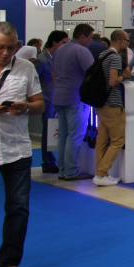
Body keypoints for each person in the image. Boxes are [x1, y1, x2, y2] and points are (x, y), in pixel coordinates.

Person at [0, 22, 44, 267]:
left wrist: (25, 107)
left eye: (10, 47)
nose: (5, 53)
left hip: (16, 148)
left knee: (18, 208)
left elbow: (40, 104)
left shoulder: (25, 67)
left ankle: (9, 265)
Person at [52, 23, 96, 181]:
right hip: (75, 98)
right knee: (75, 136)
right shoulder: (82, 51)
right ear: (83, 36)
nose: (91, 41)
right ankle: (71, 171)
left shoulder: (59, 50)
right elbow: (92, 73)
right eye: (90, 37)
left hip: (59, 97)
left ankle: (63, 170)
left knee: (63, 135)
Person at [92, 30, 131, 187]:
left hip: (100, 102)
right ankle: (101, 173)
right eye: (127, 40)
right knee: (118, 140)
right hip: (112, 103)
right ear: (121, 40)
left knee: (102, 139)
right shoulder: (115, 57)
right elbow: (113, 81)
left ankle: (101, 173)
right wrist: (125, 75)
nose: (128, 44)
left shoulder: (103, 55)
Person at [34, 31, 69, 173]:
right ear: (54, 42)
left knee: (54, 132)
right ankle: (48, 163)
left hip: (57, 100)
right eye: (63, 43)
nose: (65, 46)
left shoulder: (57, 58)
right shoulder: (42, 60)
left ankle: (53, 161)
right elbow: (33, 80)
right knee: (48, 133)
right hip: (47, 100)